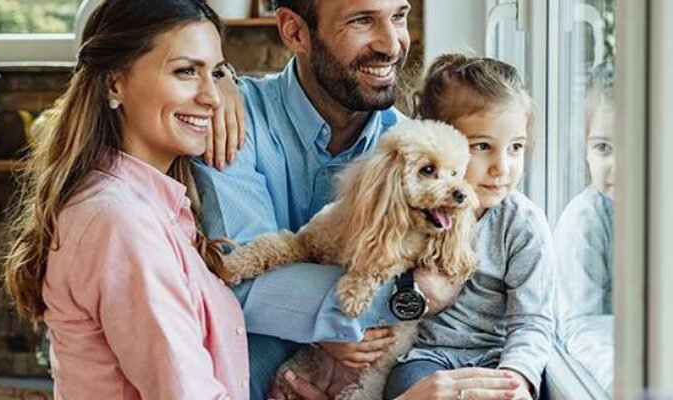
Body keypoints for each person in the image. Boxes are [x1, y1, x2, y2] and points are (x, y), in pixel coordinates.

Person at [193, 1, 519, 399]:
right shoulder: (233, 121)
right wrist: (394, 300)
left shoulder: (416, 151)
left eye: (398, 17)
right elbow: (234, 279)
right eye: (362, 20)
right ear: (295, 32)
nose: (392, 44)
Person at [1, 0, 249, 398]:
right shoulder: (121, 221)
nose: (213, 97)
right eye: (186, 71)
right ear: (114, 84)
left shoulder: (147, 204)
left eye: (216, 73)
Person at [376, 54, 555, 400]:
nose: (502, 167)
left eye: (515, 147)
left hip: (496, 359)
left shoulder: (522, 224)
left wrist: (516, 377)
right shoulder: (415, 210)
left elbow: (532, 321)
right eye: (482, 147)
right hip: (425, 357)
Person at [551, 81, 617, 390]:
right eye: (603, 148)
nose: (618, 166)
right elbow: (580, 324)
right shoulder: (585, 219)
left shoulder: (670, 214)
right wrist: (620, 380)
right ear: (586, 152)